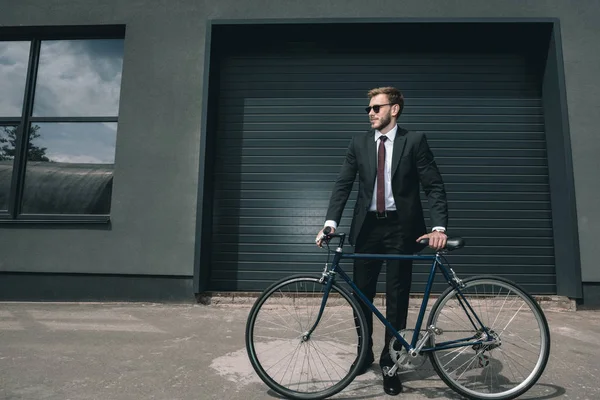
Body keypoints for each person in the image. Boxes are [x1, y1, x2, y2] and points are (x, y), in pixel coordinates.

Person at [315, 86, 448, 396]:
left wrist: (439, 227)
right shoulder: (358, 143)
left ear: (395, 109)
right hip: (367, 230)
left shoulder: (414, 141)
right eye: (369, 109)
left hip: (402, 230)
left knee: (397, 297)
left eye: (376, 107)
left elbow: (434, 187)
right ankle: (365, 355)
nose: (371, 113)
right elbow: (343, 185)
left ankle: (391, 362)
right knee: (361, 296)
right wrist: (330, 223)